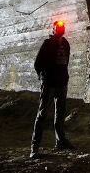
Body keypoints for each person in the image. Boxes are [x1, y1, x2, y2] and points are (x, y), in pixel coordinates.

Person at [30, 20, 73, 158]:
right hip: (49, 83)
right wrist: (43, 78)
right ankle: (34, 147)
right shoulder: (47, 44)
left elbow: (66, 62)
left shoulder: (66, 44)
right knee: (42, 114)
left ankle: (60, 141)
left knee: (60, 114)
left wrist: (65, 78)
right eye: (58, 27)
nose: (61, 29)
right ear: (54, 29)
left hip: (61, 83)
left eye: (62, 26)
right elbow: (38, 64)